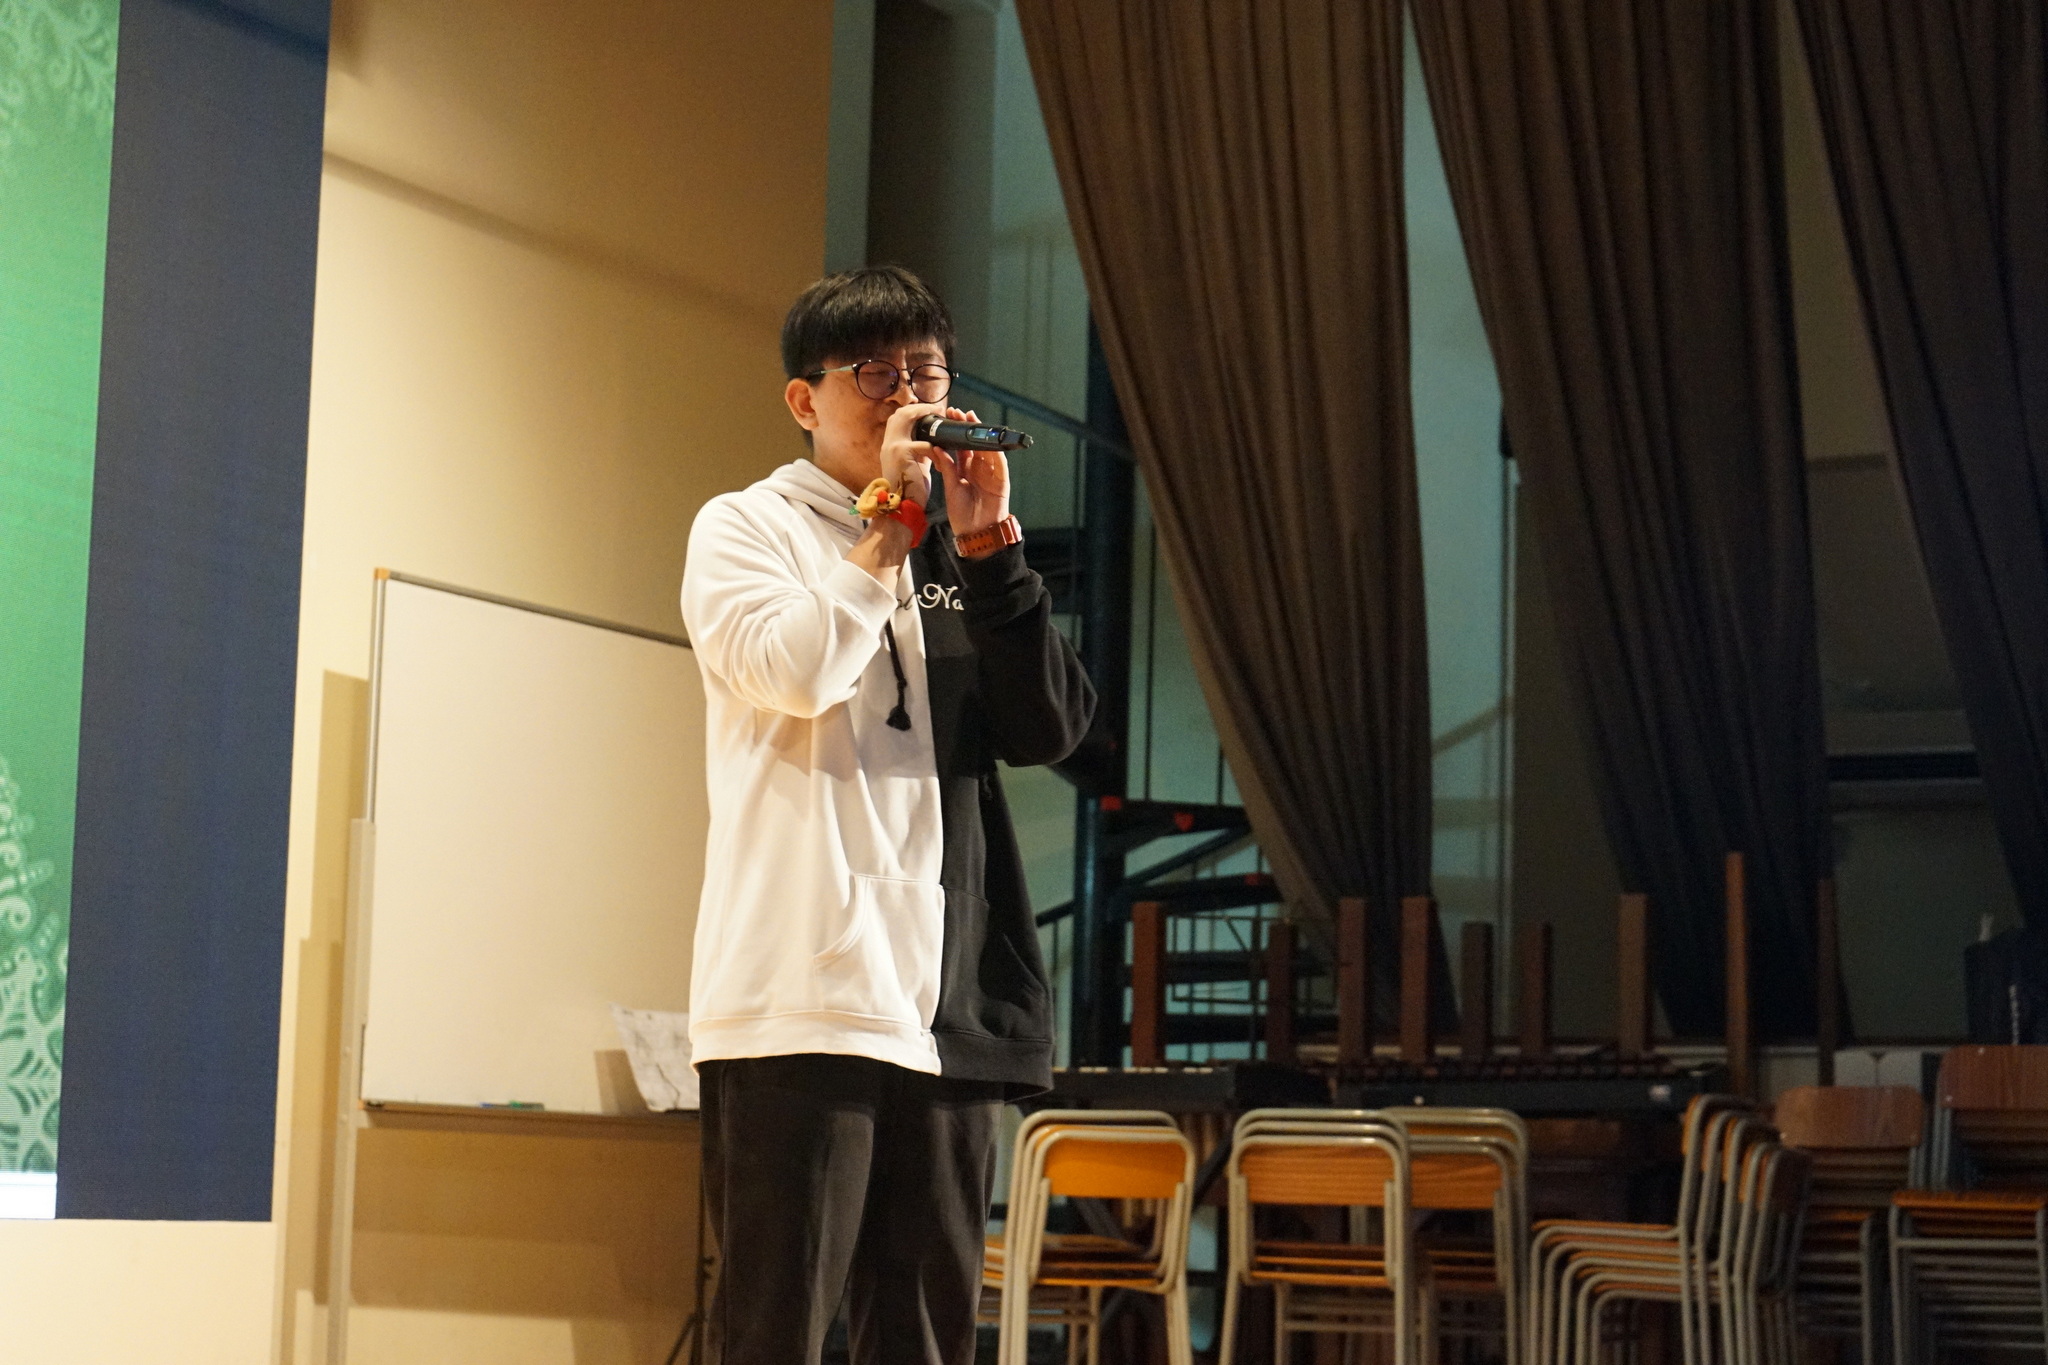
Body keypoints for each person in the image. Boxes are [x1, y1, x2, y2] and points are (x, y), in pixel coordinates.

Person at [680, 265, 1095, 1364]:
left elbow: (1051, 728)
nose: (907, 394)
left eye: (927, 372)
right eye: (874, 373)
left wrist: (991, 551)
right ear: (804, 399)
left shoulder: (958, 549)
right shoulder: (746, 528)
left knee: (925, 1337)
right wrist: (885, 538)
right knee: (772, 1329)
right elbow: (795, 671)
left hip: (947, 1003)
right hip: (802, 994)